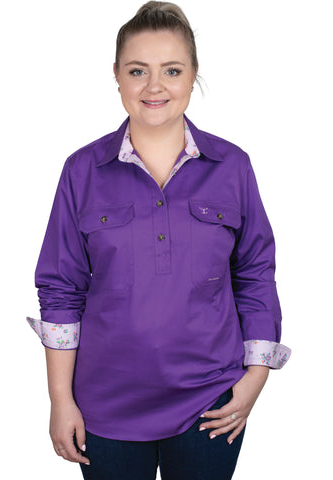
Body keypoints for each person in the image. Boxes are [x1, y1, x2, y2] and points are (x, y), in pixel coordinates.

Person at [26, 2, 291, 479]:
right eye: (137, 71)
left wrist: (256, 378)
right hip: (105, 404)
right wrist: (60, 400)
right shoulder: (82, 170)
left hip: (211, 401)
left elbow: (255, 273)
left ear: (193, 74)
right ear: (116, 75)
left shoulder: (232, 166)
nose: (154, 87)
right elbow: (61, 288)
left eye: (171, 70)